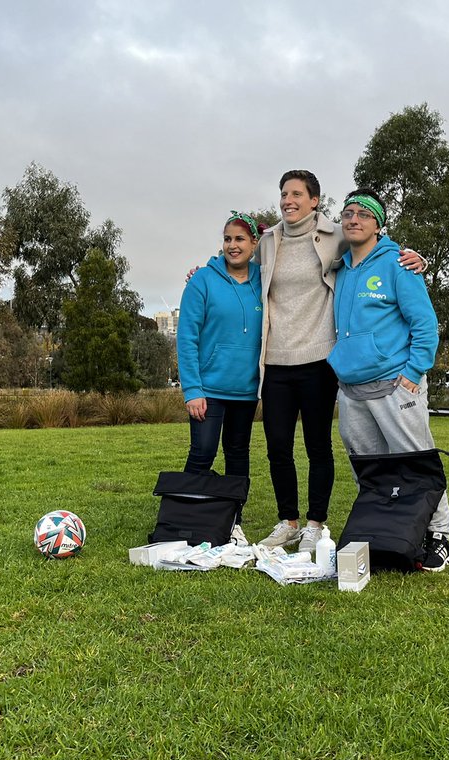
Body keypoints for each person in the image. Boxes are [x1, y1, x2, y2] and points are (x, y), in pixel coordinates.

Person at [255, 170, 425, 553]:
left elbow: (375, 245)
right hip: (276, 361)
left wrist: (417, 257)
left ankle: (315, 524)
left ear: (314, 200)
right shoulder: (268, 241)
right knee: (278, 447)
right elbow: (238, 264)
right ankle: (287, 522)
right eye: (284, 194)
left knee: (318, 447)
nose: (288, 201)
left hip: (319, 360)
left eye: (296, 194)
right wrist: (203, 271)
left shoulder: (336, 234)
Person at [327, 189, 449, 572]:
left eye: (363, 214)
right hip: (351, 388)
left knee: (416, 463)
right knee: (369, 471)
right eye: (348, 213)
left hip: (396, 385)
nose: (353, 219)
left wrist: (414, 372)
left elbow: (425, 324)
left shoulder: (398, 263)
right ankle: (385, 534)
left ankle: (439, 536)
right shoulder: (340, 268)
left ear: (379, 225)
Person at [177, 211, 264, 545]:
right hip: (208, 390)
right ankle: (185, 518)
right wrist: (192, 389)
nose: (232, 245)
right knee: (202, 452)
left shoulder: (264, 280)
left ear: (254, 243)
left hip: (246, 390)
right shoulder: (202, 280)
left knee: (238, 455)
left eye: (240, 239)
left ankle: (233, 520)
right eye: (227, 239)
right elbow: (187, 338)